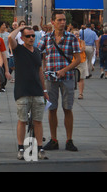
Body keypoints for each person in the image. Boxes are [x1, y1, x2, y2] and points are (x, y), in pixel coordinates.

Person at [38, 10, 81, 152]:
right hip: (50, 78)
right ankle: (54, 139)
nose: (62, 22)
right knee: (52, 109)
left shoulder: (71, 38)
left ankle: (69, 140)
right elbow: (37, 52)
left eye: (64, 20)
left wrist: (64, 70)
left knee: (68, 108)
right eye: (59, 20)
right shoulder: (46, 38)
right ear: (53, 22)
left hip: (67, 77)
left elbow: (78, 59)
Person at [8, 26, 49, 160]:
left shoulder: (37, 51)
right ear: (22, 37)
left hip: (37, 91)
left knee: (38, 121)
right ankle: (21, 148)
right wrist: (20, 27)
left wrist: (44, 90)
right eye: (27, 36)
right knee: (22, 120)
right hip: (22, 91)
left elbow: (40, 71)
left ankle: (40, 148)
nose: (31, 38)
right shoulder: (18, 49)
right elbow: (10, 37)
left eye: (32, 36)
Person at [71, 29, 88, 100]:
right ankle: (71, 94)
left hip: (82, 61)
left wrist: (76, 50)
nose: (77, 35)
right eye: (75, 34)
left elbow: (83, 49)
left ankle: (81, 93)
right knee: (71, 79)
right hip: (73, 61)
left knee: (81, 78)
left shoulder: (82, 41)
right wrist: (78, 49)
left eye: (77, 34)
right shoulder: (70, 41)